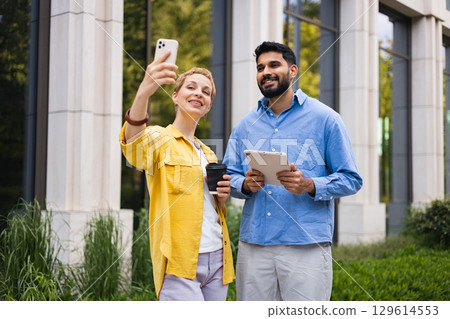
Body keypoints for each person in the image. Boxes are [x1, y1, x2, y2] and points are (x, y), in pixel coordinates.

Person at [223, 41, 362, 301]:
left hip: (306, 246)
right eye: (260, 67)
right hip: (254, 246)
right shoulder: (246, 125)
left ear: (293, 70)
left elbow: (351, 179)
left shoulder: (325, 119)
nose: (266, 71)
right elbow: (228, 176)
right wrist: (245, 185)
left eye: (274, 64)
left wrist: (310, 185)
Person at [120, 51, 235, 301]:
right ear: (175, 96)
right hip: (179, 263)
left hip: (218, 260)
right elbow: (134, 143)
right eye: (191, 87)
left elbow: (210, 209)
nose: (198, 93)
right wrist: (144, 92)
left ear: (208, 105)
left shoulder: (208, 153)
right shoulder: (160, 138)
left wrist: (222, 199)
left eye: (206, 92)